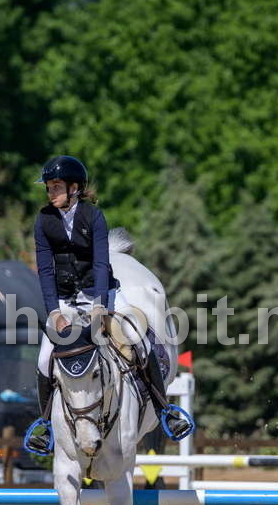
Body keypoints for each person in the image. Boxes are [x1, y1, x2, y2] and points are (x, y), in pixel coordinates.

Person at [29, 154, 191, 453]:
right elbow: (46, 270)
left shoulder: (93, 217)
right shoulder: (44, 220)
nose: (50, 193)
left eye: (56, 186)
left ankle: (164, 409)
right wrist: (53, 312)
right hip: (65, 300)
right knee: (44, 359)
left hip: (102, 293)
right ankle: (46, 425)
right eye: (49, 187)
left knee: (136, 340)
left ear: (74, 188)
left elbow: (102, 264)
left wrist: (100, 306)